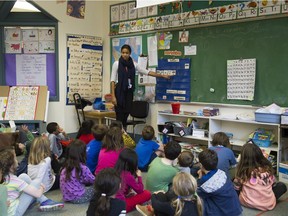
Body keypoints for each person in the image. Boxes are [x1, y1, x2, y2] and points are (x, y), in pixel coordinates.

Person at [110, 44, 171, 129]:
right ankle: (117, 137)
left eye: (127, 53)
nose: (125, 54)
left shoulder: (134, 65)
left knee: (125, 118)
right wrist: (113, 96)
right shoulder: (116, 64)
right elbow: (112, 80)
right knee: (119, 118)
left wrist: (161, 76)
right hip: (119, 93)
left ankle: (124, 138)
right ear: (121, 53)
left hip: (129, 93)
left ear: (130, 53)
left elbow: (147, 72)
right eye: (123, 52)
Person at [0, 147, 64, 215]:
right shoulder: (14, 180)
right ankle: (44, 201)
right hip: (15, 212)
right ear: (11, 165)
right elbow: (38, 194)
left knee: (23, 176)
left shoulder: (4, 178)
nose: (17, 160)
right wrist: (41, 186)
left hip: (9, 208)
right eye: (15, 158)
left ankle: (41, 200)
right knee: (35, 183)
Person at [233, 142, 287, 211]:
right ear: (260, 156)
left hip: (247, 202)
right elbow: (273, 184)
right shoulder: (267, 169)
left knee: (235, 184)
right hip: (268, 204)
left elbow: (236, 187)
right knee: (282, 186)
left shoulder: (242, 171)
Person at [197, 149, 242, 216]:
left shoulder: (204, 183)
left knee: (200, 201)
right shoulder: (222, 172)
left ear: (201, 165)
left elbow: (199, 193)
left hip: (224, 213)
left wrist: (199, 178)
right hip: (236, 208)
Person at [137, 172, 202, 216]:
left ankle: (151, 211)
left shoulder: (173, 206)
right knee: (164, 195)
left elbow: (156, 204)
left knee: (159, 197)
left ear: (176, 190)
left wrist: (154, 195)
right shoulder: (198, 201)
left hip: (173, 210)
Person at [115, 148, 151, 212]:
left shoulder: (116, 168)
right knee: (147, 194)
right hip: (122, 206)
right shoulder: (127, 175)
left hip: (113, 201)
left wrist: (126, 195)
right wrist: (139, 177)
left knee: (132, 193)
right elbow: (140, 190)